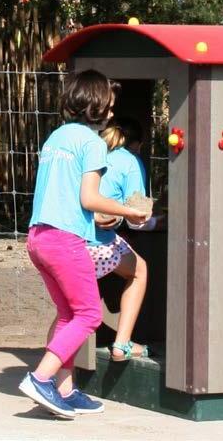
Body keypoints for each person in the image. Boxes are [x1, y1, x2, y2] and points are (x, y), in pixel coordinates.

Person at [18, 70, 148, 419]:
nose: (112, 110)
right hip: (65, 240)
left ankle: (65, 391)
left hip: (38, 238)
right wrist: (129, 211)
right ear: (96, 104)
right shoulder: (92, 143)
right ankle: (40, 379)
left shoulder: (57, 137)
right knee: (89, 315)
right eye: (109, 103)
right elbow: (89, 198)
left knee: (68, 315)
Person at [90, 117, 151, 361]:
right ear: (138, 144)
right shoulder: (131, 161)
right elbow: (138, 218)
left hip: (68, 239)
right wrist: (161, 221)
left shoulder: (95, 154)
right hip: (97, 243)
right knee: (139, 271)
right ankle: (122, 344)